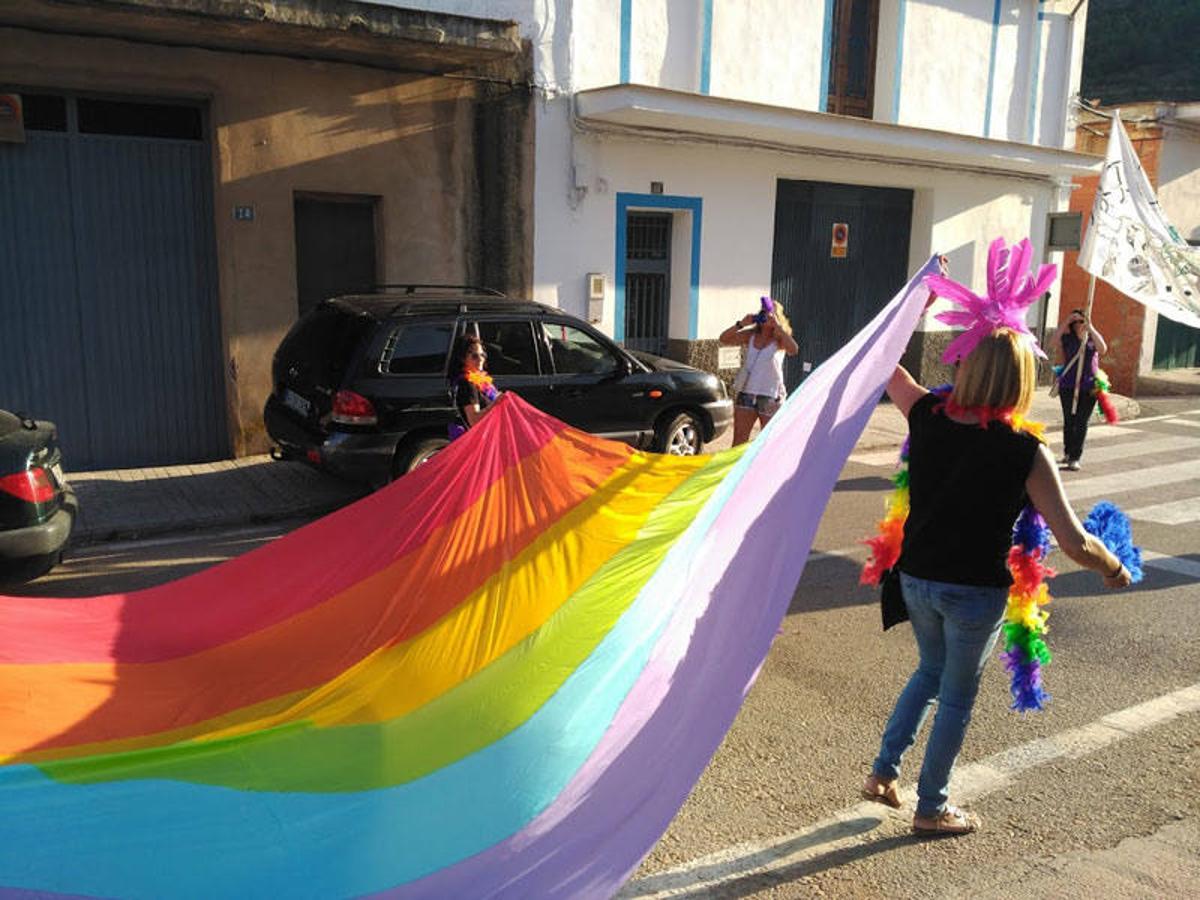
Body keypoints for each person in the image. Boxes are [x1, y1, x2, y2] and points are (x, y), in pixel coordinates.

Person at [860, 327, 1132, 836]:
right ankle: (931, 807)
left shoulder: (925, 415)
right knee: (955, 697)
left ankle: (883, 773)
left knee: (929, 671)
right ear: (1020, 381)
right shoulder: (1024, 450)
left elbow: (887, 365)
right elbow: (1073, 540)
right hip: (973, 592)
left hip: (916, 578)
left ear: (965, 366)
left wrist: (917, 303)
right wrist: (1114, 567)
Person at [718, 297, 799, 445]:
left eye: (769, 313)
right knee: (739, 441)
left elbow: (794, 350)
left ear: (777, 316)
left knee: (768, 442)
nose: (765, 315)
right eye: (762, 312)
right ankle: (739, 468)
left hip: (770, 396)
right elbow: (724, 338)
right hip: (747, 393)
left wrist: (778, 328)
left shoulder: (780, 339)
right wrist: (741, 324)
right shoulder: (751, 335)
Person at [1054, 308, 1108, 471]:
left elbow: (1103, 349)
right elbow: (1053, 342)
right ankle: (1068, 452)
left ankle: (1075, 457)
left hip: (1089, 386)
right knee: (1069, 421)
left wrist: (1090, 327)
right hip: (1069, 384)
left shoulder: (1092, 338)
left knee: (1081, 422)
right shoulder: (1067, 338)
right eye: (1076, 322)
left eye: (1081, 321)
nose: (1079, 325)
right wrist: (1067, 321)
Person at [449, 335, 499, 439]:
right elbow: (474, 420)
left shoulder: (481, 382)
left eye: (482, 355)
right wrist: (496, 403)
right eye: (475, 356)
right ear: (463, 359)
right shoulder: (467, 384)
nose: (481, 359)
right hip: (478, 442)